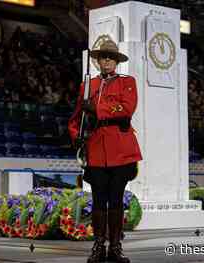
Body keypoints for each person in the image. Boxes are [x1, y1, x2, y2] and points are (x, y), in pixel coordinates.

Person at [68, 40, 142, 263]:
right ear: (97, 61)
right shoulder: (88, 86)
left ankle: (116, 247)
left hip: (120, 147)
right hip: (96, 148)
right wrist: (76, 136)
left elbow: (127, 108)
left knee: (116, 200)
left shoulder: (127, 82)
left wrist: (98, 108)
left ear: (117, 61)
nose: (107, 60)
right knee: (99, 200)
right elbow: (76, 118)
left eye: (111, 56)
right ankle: (99, 246)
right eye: (103, 57)